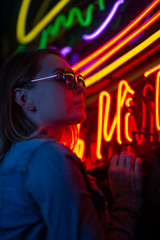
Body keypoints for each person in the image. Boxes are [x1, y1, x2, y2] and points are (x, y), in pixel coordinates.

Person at [0, 47, 143, 240]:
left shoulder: (17, 158)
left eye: (78, 79)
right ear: (24, 98)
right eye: (63, 78)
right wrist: (125, 200)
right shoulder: (46, 155)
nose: (81, 88)